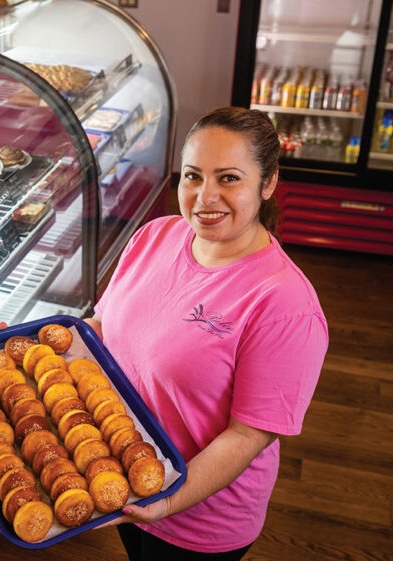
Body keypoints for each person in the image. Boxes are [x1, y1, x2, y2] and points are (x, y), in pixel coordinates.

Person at [87, 107, 328, 560]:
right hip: (125, 477)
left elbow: (247, 436)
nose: (204, 197)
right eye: (193, 176)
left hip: (198, 520)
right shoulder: (154, 237)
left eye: (229, 178)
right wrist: (38, 346)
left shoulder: (285, 305)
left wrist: (170, 501)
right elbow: (105, 328)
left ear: (269, 183)